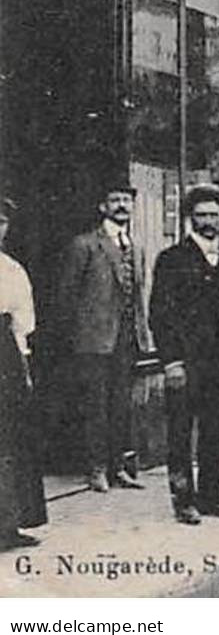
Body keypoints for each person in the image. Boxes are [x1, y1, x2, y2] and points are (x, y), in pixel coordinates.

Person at [149, 184, 219, 524]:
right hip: (187, 362)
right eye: (202, 215)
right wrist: (171, 361)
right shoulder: (173, 259)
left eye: (214, 215)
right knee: (181, 432)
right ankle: (184, 501)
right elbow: (160, 314)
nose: (208, 221)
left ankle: (213, 497)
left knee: (215, 429)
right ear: (191, 219)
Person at [59, 183, 146, 493]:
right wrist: (76, 336)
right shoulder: (85, 244)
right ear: (102, 207)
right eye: (115, 199)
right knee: (95, 405)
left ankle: (118, 467)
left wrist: (142, 335)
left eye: (126, 200)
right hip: (93, 340)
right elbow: (67, 296)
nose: (122, 205)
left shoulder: (134, 246)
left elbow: (137, 295)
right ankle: (96, 468)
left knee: (121, 405)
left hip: (125, 338)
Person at [0, 197, 46, 550]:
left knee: (10, 440)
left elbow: (21, 327)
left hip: (5, 357)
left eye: (1, 223)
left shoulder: (12, 270)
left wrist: (24, 371)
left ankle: (8, 525)